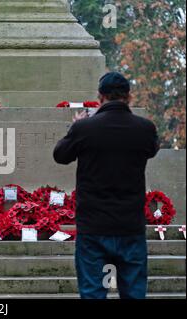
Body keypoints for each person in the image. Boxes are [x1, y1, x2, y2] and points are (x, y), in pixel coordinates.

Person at [53, 72, 160, 299]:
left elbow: (61, 155)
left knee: (93, 292)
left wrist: (77, 128)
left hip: (94, 226)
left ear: (100, 97)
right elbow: (152, 149)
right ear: (129, 96)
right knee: (134, 293)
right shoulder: (144, 129)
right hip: (130, 226)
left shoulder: (85, 129)